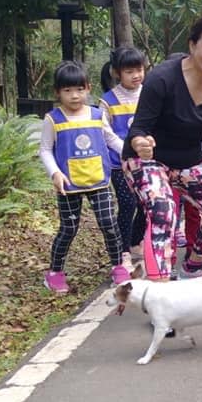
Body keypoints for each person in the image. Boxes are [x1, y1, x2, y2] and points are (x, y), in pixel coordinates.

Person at [122, 14, 202, 282]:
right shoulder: (162, 78)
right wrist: (140, 143)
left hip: (188, 159)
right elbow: (139, 128)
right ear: (192, 46)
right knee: (163, 211)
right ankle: (160, 290)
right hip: (147, 159)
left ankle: (193, 266)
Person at [39, 61, 127, 293]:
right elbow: (45, 150)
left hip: (99, 181)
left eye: (79, 89)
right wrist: (55, 173)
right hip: (68, 185)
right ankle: (55, 273)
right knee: (68, 229)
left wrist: (131, 151)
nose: (74, 95)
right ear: (58, 92)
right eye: (67, 90)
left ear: (88, 88)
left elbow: (111, 139)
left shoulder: (97, 115)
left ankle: (118, 266)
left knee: (109, 223)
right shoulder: (53, 119)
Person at [99, 46, 146, 268]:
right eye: (130, 71)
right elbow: (105, 132)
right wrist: (126, 149)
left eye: (139, 69)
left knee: (147, 203)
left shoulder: (148, 94)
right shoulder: (107, 101)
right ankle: (123, 250)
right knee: (128, 205)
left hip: (146, 162)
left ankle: (136, 242)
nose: (136, 75)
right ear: (117, 73)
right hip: (120, 164)